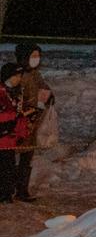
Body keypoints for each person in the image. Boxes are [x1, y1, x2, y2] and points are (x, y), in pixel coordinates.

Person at [1, 45, 53, 202]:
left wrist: (49, 96)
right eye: (33, 56)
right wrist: (22, 112)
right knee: (9, 159)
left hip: (31, 121)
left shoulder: (35, 74)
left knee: (26, 156)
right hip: (17, 123)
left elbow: (43, 88)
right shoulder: (17, 74)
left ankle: (21, 189)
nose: (36, 59)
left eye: (38, 56)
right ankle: (8, 190)